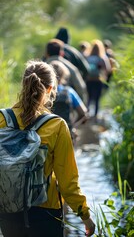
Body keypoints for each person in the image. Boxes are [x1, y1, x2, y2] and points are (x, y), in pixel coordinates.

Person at [0, 60, 95, 237]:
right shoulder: (57, 125)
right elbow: (68, 182)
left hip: (8, 211)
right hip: (46, 213)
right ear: (50, 89)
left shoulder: (2, 118)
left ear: (23, 84)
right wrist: (85, 216)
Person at [51, 60, 89, 143]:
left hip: (48, 134)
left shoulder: (44, 93)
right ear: (64, 75)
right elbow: (83, 113)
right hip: (66, 133)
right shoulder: (69, 92)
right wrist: (72, 126)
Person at [43, 39, 88, 105]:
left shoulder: (41, 68)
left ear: (46, 53)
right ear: (61, 53)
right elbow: (80, 88)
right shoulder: (71, 68)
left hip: (45, 109)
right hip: (66, 108)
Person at [86, 39, 108, 118]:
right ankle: (95, 116)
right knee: (97, 99)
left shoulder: (88, 57)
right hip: (98, 80)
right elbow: (107, 69)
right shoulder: (102, 58)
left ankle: (86, 114)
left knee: (89, 98)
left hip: (89, 80)